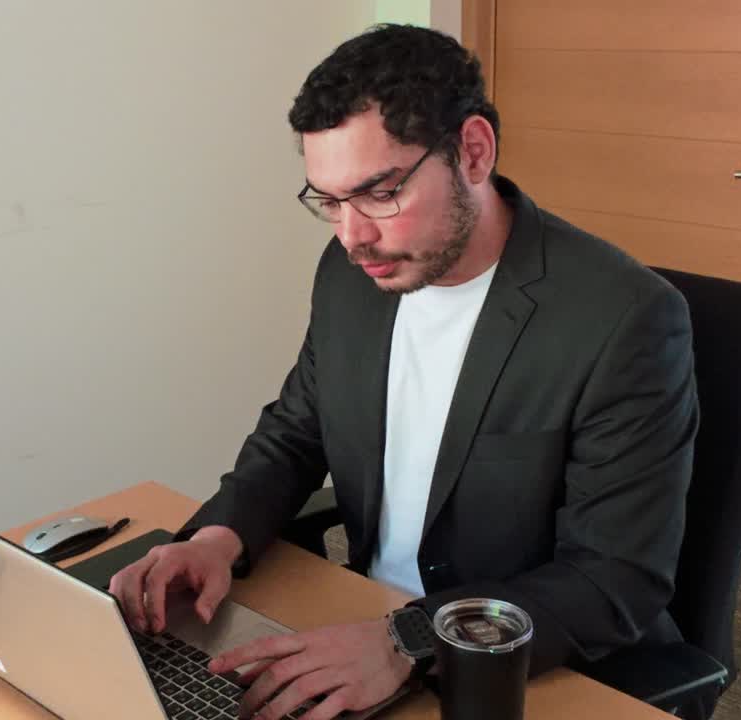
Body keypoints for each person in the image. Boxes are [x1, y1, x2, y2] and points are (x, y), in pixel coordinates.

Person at [110, 23, 698, 720]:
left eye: (380, 192)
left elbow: (614, 580)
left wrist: (408, 641)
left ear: (472, 152)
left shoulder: (624, 319)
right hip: (362, 620)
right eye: (329, 201)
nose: (352, 236)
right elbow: (299, 429)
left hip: (520, 669)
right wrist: (217, 538)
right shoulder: (353, 275)